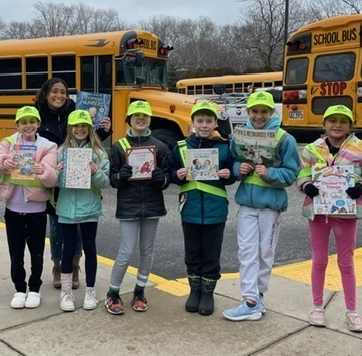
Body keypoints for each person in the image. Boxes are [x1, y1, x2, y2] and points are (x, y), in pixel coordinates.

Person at [296, 105, 362, 332]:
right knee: (319, 260)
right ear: (323, 124)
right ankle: (317, 307)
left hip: (346, 214)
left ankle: (352, 312)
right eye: (332, 120)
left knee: (346, 262)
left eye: (343, 121)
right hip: (317, 213)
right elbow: (302, 172)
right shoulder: (312, 149)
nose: (337, 125)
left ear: (350, 125)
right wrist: (306, 185)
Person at [223, 91, 300, 322]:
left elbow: (292, 172)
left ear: (271, 112)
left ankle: (258, 296)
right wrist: (239, 170)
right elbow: (233, 162)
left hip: (272, 206)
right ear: (248, 112)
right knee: (247, 252)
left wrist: (270, 173)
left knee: (265, 254)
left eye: (263, 111)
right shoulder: (239, 137)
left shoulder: (285, 139)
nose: (259, 116)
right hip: (246, 204)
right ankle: (249, 301)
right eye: (254, 111)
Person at [34, 77, 111, 290]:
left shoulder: (76, 110)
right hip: (56, 183)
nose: (59, 95)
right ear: (46, 93)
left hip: (83, 184)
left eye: (63, 92)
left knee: (78, 231)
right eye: (54, 91)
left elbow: (89, 140)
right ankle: (58, 266)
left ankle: (75, 266)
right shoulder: (36, 115)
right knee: (58, 229)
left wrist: (103, 130)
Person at [0, 106, 59, 309]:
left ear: (38, 124)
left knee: (36, 252)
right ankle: (19, 288)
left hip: (37, 209)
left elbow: (53, 178)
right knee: (15, 252)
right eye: (23, 122)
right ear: (17, 125)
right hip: (13, 208)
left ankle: (34, 288)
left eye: (32, 121)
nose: (28, 126)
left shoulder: (48, 146)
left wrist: (43, 170)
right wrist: (3, 161)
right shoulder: (8, 143)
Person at [170, 101, 236, 316]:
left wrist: (229, 175)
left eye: (209, 121)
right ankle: (194, 290)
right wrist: (176, 175)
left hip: (215, 210)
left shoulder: (224, 147)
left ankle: (208, 293)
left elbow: (233, 172)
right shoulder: (181, 147)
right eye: (200, 121)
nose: (205, 125)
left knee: (211, 253)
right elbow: (169, 172)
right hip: (189, 208)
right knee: (192, 253)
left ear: (216, 123)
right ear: (193, 123)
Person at [105, 100, 171, 315]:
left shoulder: (159, 147)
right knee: (126, 251)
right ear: (129, 120)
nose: (140, 119)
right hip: (129, 206)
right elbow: (112, 179)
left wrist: (162, 179)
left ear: (149, 119)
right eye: (136, 116)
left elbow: (167, 178)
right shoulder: (118, 146)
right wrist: (120, 176)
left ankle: (139, 291)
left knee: (147, 251)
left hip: (152, 204)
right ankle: (113, 293)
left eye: (144, 115)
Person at [55, 109, 110, 311]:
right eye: (76, 126)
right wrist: (57, 172)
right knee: (67, 250)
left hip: (90, 209)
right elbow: (53, 183)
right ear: (70, 129)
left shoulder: (99, 153)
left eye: (83, 126)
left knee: (90, 249)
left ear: (89, 128)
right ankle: (66, 293)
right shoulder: (61, 152)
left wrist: (95, 172)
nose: (79, 130)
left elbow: (106, 182)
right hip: (67, 209)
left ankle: (91, 291)